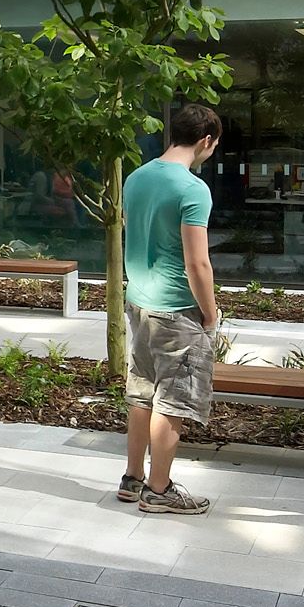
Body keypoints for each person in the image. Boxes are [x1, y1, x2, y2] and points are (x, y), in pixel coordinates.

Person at [120, 103, 224, 514]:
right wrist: (210, 313)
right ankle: (159, 490)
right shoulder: (192, 189)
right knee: (172, 402)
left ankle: (133, 478)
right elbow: (197, 263)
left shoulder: (136, 177)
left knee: (142, 392)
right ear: (206, 141)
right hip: (176, 309)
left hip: (139, 301)